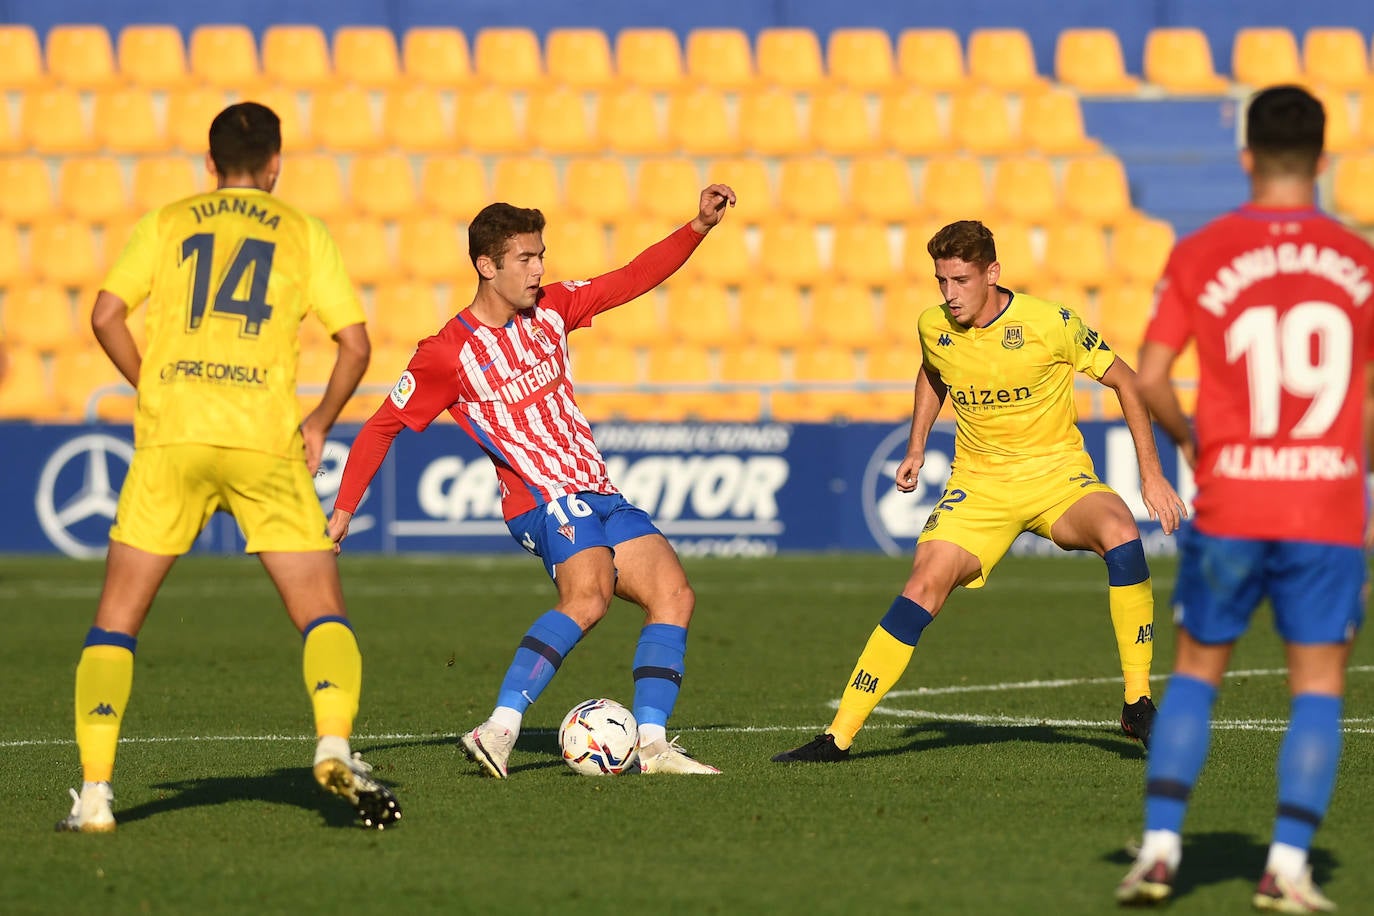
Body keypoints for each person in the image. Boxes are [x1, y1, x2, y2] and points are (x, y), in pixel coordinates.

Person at [57, 102, 400, 833]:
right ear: (275, 163)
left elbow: (105, 314)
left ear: (209, 164)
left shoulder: (169, 220)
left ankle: (94, 796)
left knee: (117, 621)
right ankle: (335, 743)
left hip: (172, 436)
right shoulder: (305, 233)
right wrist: (319, 421)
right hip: (262, 437)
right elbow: (358, 345)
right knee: (321, 612)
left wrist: (151, 382)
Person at [329, 184, 737, 777]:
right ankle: (498, 729)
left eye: (541, 255)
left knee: (674, 595)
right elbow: (381, 427)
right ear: (486, 266)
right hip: (541, 499)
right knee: (589, 596)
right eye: (525, 258)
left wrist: (697, 225)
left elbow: (632, 278)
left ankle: (652, 744)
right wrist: (343, 511)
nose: (538, 269)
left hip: (597, 489)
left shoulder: (554, 308)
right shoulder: (447, 353)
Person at [774, 220, 1187, 764]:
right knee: (923, 585)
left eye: (961, 280)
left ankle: (1137, 703)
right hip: (980, 488)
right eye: (941, 281)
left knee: (1120, 531)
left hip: (1056, 477)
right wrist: (917, 446)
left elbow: (1127, 382)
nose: (949, 295)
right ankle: (838, 737)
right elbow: (933, 371)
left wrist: (1151, 474)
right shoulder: (934, 325)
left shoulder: (1050, 322)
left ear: (992, 273)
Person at [1117, 86, 1370, 912]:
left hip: (1232, 499)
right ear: (1325, 162)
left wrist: (1193, 443)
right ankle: (1287, 868)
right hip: (1326, 507)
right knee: (1319, 687)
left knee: (1194, 674)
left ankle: (1158, 852)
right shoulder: (1362, 262)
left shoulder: (1202, 251)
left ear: (1247, 158)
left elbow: (1149, 379)